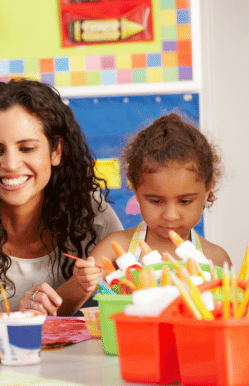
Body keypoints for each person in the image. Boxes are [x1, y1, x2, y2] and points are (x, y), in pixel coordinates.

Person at [0, 79, 123, 317]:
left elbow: (124, 295)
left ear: (56, 151)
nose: (11, 165)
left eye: (27, 148)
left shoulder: (92, 215)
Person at [87, 113, 230, 273]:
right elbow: (67, 297)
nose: (170, 216)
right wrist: (82, 282)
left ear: (207, 189)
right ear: (135, 189)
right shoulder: (115, 248)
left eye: (185, 201)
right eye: (156, 201)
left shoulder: (217, 259)